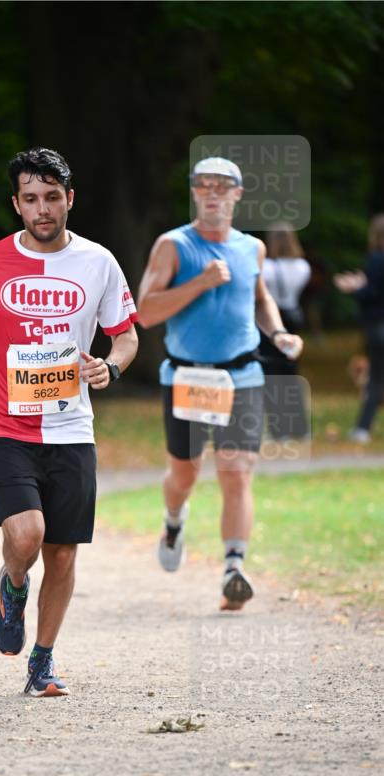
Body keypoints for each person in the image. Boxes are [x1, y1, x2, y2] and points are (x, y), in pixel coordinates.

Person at [0, 147, 138, 696]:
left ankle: (42, 663)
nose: (43, 208)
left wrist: (110, 367)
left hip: (71, 426)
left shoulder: (98, 262)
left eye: (52, 197)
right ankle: (12, 584)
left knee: (64, 552)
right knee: (27, 534)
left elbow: (125, 335)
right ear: (17, 204)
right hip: (4, 423)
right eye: (31, 199)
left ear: (69, 199)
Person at [137, 157, 303, 610]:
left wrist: (278, 332)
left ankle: (234, 568)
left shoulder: (252, 249)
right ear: (194, 192)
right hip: (188, 376)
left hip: (242, 376)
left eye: (222, 185)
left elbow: (260, 299)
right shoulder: (173, 246)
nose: (212, 192)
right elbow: (145, 312)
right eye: (204, 184)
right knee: (185, 473)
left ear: (238, 194)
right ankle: (174, 519)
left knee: (236, 470)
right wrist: (201, 283)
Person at [334, 214, 384, 444]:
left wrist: (353, 288)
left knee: (375, 379)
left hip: (377, 325)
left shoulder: (376, 258)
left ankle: (363, 428)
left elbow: (372, 293)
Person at [259, 223, 311, 439]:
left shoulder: (266, 267)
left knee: (272, 374)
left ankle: (278, 429)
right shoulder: (303, 266)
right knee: (291, 374)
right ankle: (300, 427)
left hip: (272, 322)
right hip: (293, 318)